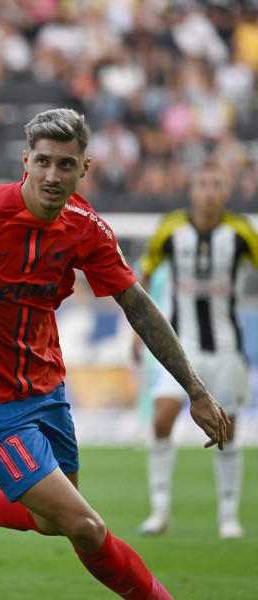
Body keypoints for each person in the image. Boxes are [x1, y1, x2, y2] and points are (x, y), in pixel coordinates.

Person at [0, 107, 230, 600]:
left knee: (50, 521)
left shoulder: (86, 229)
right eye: (44, 162)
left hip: (45, 386)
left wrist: (196, 392)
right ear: (25, 162)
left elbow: (137, 304)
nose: (53, 175)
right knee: (85, 525)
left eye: (66, 165)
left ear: (84, 169)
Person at [136, 158, 258, 539]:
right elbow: (144, 274)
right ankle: (159, 511)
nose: (208, 190)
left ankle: (228, 517)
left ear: (224, 191)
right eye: (202, 183)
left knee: (229, 430)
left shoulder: (240, 231)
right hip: (180, 346)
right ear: (192, 191)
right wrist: (133, 334)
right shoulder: (171, 228)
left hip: (227, 349)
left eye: (215, 184)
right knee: (161, 420)